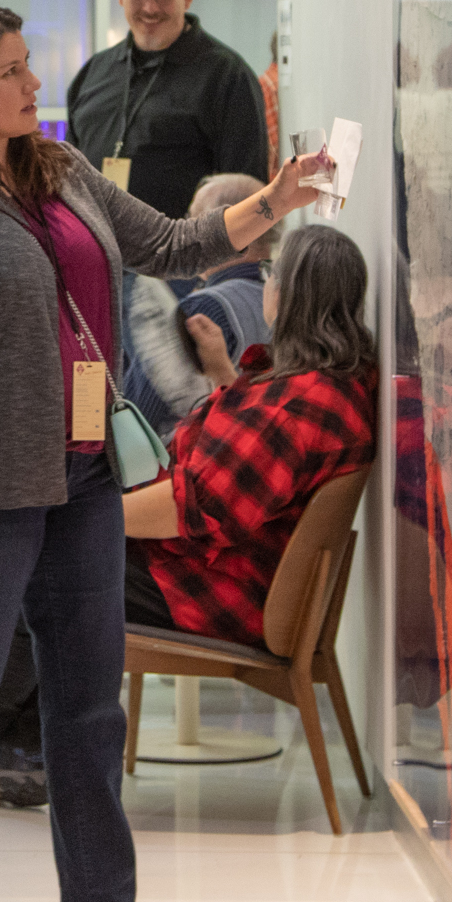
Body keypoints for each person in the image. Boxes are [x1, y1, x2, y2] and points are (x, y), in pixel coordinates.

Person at [0, 0, 326, 902]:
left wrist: (274, 203)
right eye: (10, 69)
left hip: (83, 474)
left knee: (88, 701)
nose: (34, 84)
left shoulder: (61, 169)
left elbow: (171, 243)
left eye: (27, 65)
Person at [120, 224, 388, 650]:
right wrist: (222, 373)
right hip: (223, 574)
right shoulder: (330, 384)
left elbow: (194, 507)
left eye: (270, 273)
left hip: (208, 589)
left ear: (284, 293)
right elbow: (250, 458)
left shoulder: (295, 407)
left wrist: (88, 520)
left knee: (43, 570)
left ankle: (18, 717)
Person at [63, 0, 271, 220]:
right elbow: (70, 180)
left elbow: (246, 198)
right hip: (97, 256)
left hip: (187, 260)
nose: (150, 8)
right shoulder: (92, 75)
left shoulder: (227, 77)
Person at [122, 173, 272, 435]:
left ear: (234, 231)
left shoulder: (203, 312)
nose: (187, 233)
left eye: (194, 223)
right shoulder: (283, 296)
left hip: (194, 461)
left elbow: (139, 418)